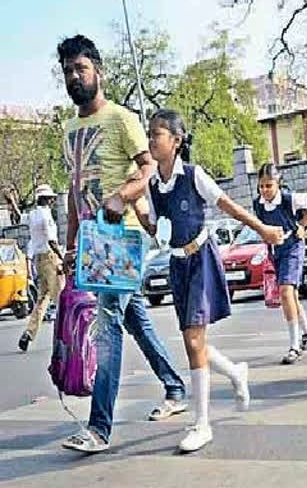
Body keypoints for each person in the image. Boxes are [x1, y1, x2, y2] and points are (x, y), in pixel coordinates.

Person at [56, 35, 187, 453]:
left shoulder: (121, 119)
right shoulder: (69, 129)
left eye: (81, 68)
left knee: (108, 328)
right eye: (68, 71)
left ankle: (99, 429)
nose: (75, 77)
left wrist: (122, 197)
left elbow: (148, 167)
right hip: (91, 243)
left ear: (99, 71)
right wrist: (71, 243)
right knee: (135, 321)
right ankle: (175, 387)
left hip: (121, 238)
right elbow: (75, 191)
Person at [136, 109, 284, 452]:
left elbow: (228, 205)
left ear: (176, 141)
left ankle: (202, 424)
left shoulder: (194, 174)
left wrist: (262, 230)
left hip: (201, 258)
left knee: (193, 341)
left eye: (157, 134)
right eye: (150, 133)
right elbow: (159, 229)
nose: (151, 140)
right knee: (194, 342)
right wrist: (140, 215)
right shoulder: (154, 185)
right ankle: (235, 373)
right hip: (177, 265)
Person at [253, 163, 307, 365]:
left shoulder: (289, 199)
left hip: (293, 246)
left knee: (285, 291)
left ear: (278, 184)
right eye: (262, 186)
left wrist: (302, 225)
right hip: (276, 250)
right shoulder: (258, 204)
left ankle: (294, 345)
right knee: (290, 295)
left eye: (269, 186)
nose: (265, 190)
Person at [18, 185, 64, 352]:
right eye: (51, 198)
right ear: (46, 199)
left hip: (39, 259)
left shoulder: (32, 215)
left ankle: (29, 333)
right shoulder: (46, 216)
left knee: (42, 300)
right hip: (50, 257)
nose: (53, 200)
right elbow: (52, 240)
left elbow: (19, 218)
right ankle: (64, 337)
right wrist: (62, 257)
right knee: (61, 299)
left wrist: (12, 203)